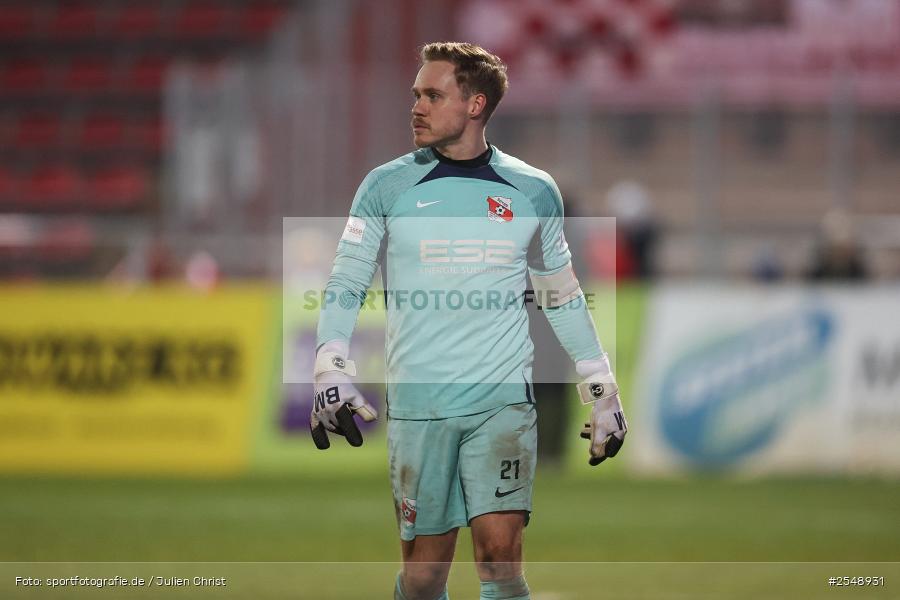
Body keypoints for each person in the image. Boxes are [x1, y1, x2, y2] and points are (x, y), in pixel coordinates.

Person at [311, 42, 627, 600]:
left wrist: (601, 387)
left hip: (503, 400)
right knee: (426, 575)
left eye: (433, 95)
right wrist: (329, 362)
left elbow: (561, 295)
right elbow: (347, 280)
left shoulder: (533, 190)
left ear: (475, 103)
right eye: (416, 94)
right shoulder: (385, 186)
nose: (417, 106)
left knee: (500, 560)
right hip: (419, 405)